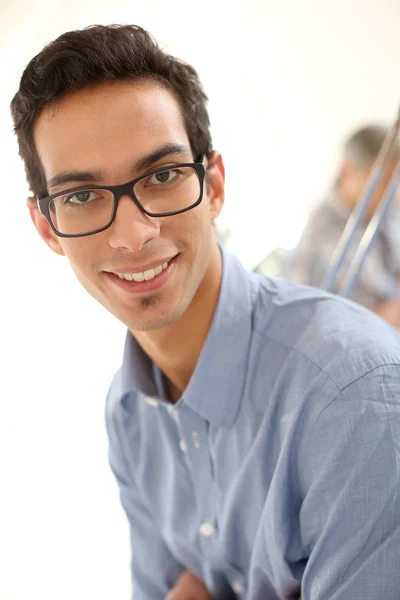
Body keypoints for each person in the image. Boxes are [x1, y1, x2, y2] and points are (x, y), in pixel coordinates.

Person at [11, 25, 400, 600]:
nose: (134, 234)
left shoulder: (352, 393)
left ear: (213, 185)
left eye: (163, 176)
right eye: (82, 196)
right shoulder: (127, 415)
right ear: (47, 228)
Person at [286, 125, 400, 327]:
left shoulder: (384, 212)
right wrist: (385, 316)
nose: (393, 194)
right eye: (384, 180)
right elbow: (315, 325)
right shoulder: (320, 237)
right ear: (347, 171)